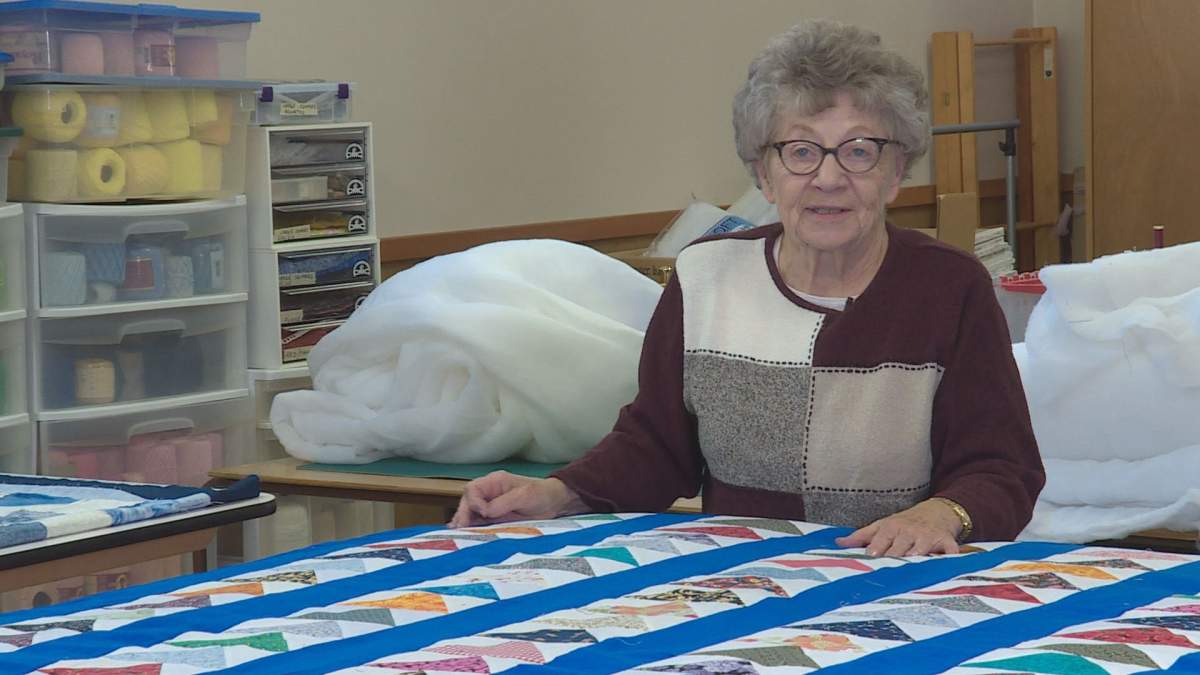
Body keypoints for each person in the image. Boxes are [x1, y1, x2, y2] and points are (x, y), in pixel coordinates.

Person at [450, 19, 1044, 557]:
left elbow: (1002, 466)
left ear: (895, 173)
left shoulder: (950, 286)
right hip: (743, 582)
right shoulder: (705, 275)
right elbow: (658, 446)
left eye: (860, 151)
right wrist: (556, 493)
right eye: (801, 151)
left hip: (893, 576)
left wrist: (942, 514)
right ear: (764, 172)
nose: (829, 178)